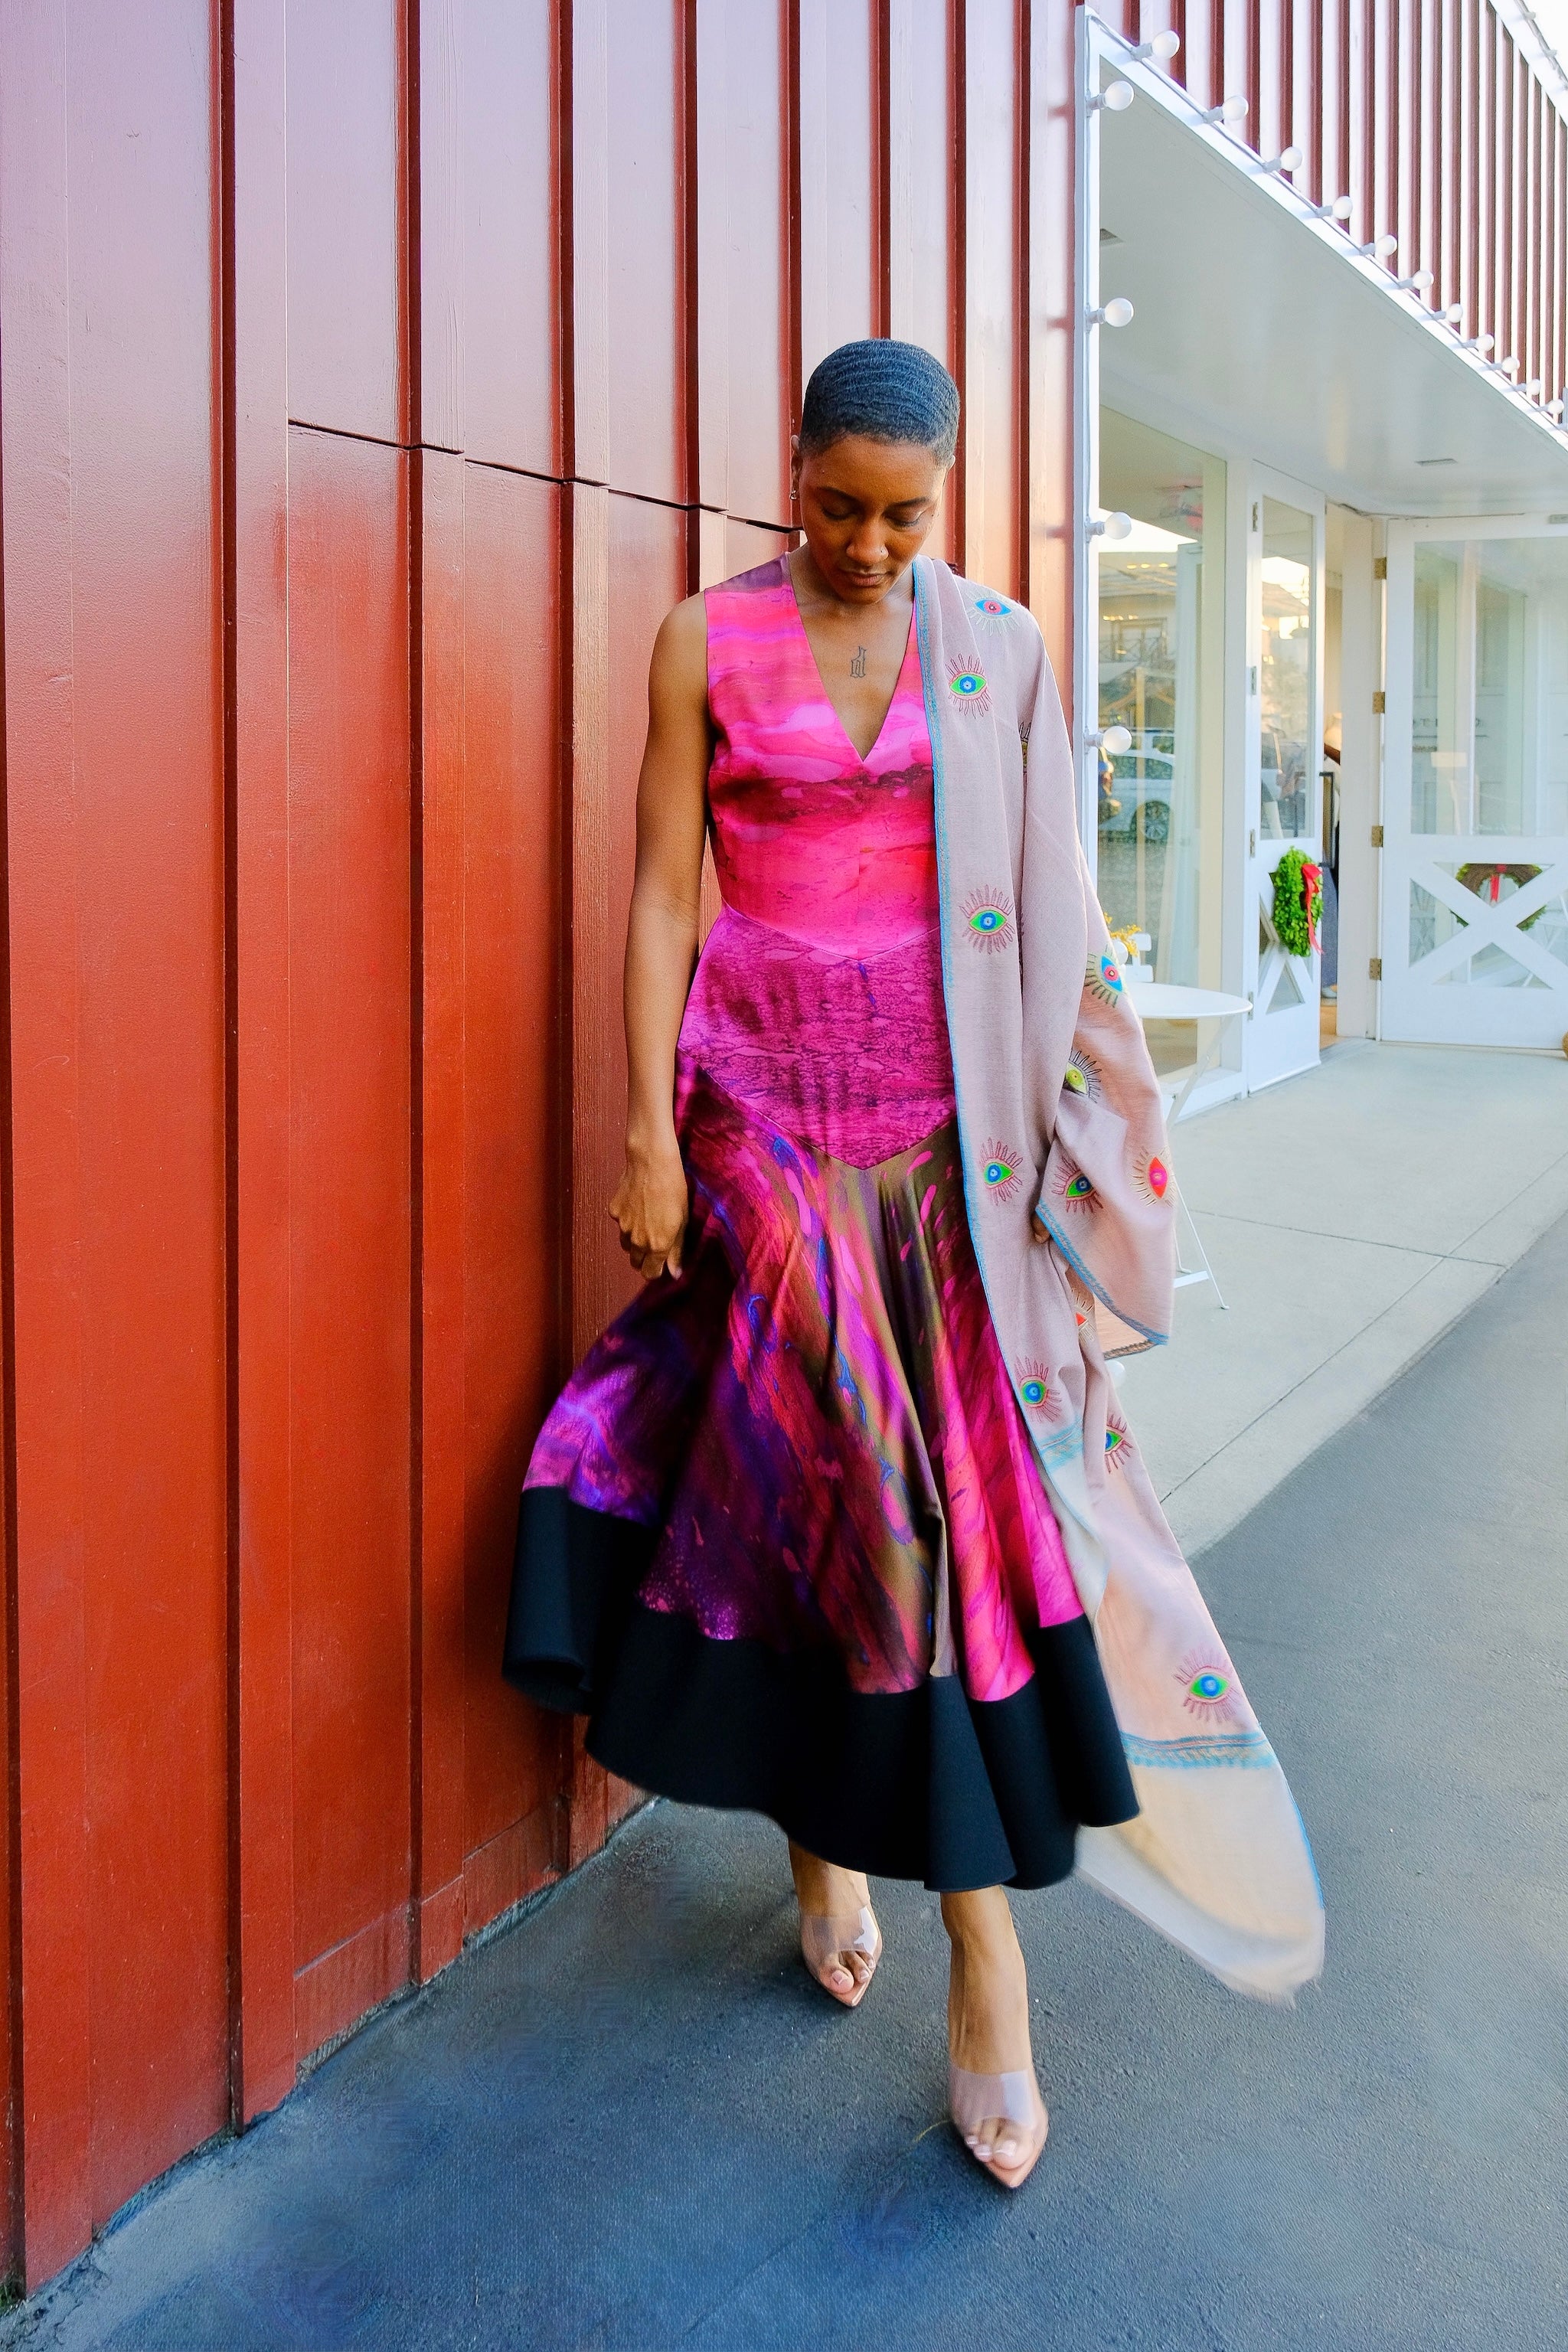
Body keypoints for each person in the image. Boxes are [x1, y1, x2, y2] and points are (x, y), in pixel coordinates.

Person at [505, 340, 1322, 2190]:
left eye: (907, 511)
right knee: (882, 1491)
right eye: (838, 503)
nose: (870, 542)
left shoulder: (1003, 650)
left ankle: (837, 1848)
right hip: (760, 1125)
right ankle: (988, 1949)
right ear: (789, 469)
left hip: (944, 1131)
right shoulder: (700, 639)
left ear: (943, 494)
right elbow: (655, 890)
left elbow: (1050, 901)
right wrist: (645, 1129)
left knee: (871, 1495)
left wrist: (1082, 1154)